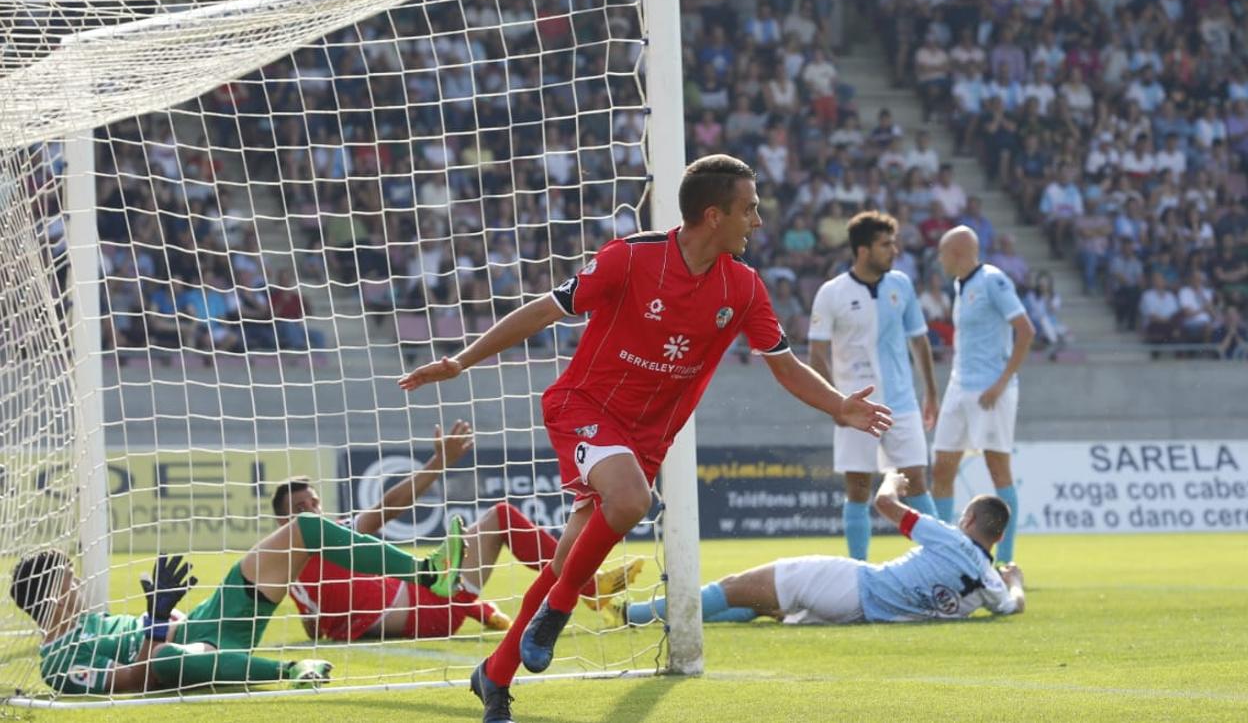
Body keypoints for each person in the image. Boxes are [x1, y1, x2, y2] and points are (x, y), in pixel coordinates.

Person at [397, 154, 892, 723]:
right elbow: (544, 311)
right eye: (749, 209)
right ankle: (555, 616)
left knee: (567, 561)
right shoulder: (630, 258)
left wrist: (839, 406)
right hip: (583, 407)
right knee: (631, 501)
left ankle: (494, 676)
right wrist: (461, 360)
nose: (758, 221)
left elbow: (783, 365)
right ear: (714, 215)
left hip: (644, 439)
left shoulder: (745, 287)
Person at [9, 510, 465, 694]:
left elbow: (173, 625)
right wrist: (155, 623)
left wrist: (165, 614)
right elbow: (138, 677)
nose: (78, 584)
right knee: (171, 658)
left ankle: (428, 573)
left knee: (303, 530)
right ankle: (291, 670)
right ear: (51, 595)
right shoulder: (59, 664)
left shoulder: (97, 622)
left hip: (214, 616)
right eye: (69, 579)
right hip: (197, 654)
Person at [273, 423, 642, 642]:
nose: (311, 513)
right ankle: (589, 589)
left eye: (314, 504)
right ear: (281, 523)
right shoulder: (289, 561)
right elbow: (386, 508)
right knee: (502, 517)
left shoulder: (322, 546)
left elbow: (313, 627)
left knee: (494, 522)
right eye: (300, 510)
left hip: (425, 600)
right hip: (430, 612)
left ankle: (483, 609)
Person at [609, 472, 1024, 627]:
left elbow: (883, 505)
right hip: (860, 613)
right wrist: (1015, 580)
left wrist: (892, 481)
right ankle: (657, 615)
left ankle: (632, 614)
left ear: (967, 522)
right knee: (761, 605)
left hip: (853, 584)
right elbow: (1013, 605)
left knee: (733, 585)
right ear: (998, 538)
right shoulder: (990, 583)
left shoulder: (950, 538)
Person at [807, 211, 939, 561]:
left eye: (894, 243)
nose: (894, 250)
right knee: (858, 489)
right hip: (857, 407)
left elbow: (919, 340)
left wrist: (931, 392)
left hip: (902, 402)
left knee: (917, 480)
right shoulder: (832, 292)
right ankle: (858, 570)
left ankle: (940, 562)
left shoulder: (902, 285)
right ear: (863, 250)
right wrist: (836, 402)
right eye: (886, 244)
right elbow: (816, 354)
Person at [931, 226, 1035, 564]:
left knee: (998, 470)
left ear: (958, 252)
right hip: (958, 386)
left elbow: (1025, 330)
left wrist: (1002, 382)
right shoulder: (961, 286)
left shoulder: (993, 280)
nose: (940, 259)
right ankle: (943, 553)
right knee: (942, 467)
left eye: (943, 252)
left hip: (991, 390)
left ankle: (1006, 561)